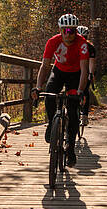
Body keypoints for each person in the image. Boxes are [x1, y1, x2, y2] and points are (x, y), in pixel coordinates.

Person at [31, 14, 89, 167]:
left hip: (75, 75)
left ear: (76, 31)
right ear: (60, 30)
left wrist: (80, 90)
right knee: (50, 94)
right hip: (58, 71)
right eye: (65, 30)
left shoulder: (82, 43)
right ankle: (52, 123)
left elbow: (84, 70)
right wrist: (38, 87)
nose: (68, 34)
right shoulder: (53, 42)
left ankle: (70, 146)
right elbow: (44, 66)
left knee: (72, 109)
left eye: (72, 30)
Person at [76, 26, 95, 125]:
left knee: (85, 91)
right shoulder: (72, 45)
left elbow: (92, 62)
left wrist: (91, 73)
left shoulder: (90, 47)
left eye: (84, 36)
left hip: (85, 71)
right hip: (74, 70)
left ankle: (84, 115)